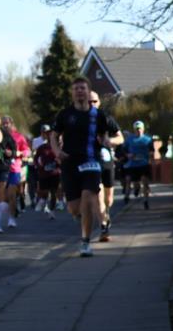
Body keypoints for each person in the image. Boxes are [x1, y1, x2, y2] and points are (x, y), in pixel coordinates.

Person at [51, 77, 122, 257]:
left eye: (82, 88)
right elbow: (54, 135)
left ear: (88, 90)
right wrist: (57, 151)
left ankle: (85, 242)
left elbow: (118, 137)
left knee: (88, 199)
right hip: (69, 163)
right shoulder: (65, 114)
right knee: (74, 208)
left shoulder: (99, 115)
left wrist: (108, 141)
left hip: (91, 161)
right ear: (72, 93)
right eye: (76, 89)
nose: (79, 91)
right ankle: (83, 221)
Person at [89, 91, 117, 241]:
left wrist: (110, 141)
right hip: (92, 163)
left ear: (99, 103)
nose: (92, 104)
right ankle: (103, 226)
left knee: (108, 198)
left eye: (94, 102)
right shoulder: (83, 121)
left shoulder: (107, 119)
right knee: (97, 195)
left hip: (107, 162)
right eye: (89, 102)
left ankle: (106, 213)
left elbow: (121, 137)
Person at [0, 115, 30, 229]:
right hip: (1, 168)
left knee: (12, 194)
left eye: (7, 123)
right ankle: (13, 209)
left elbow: (27, 151)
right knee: (4, 196)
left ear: (11, 124)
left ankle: (11, 219)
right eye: (3, 123)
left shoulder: (18, 137)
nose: (5, 125)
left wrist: (19, 153)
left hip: (14, 168)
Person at [0, 112, 15, 233]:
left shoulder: (6, 135)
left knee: (0, 192)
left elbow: (13, 149)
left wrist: (10, 153)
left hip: (2, 166)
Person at [124, 120, 153, 209]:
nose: (138, 130)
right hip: (133, 165)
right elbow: (124, 150)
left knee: (145, 181)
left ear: (143, 129)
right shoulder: (129, 139)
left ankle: (145, 201)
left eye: (140, 129)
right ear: (134, 130)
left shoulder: (148, 139)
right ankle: (136, 188)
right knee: (135, 182)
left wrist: (150, 156)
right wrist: (128, 155)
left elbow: (152, 151)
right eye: (137, 129)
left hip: (144, 164)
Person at [33, 134, 62, 219]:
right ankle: (42, 200)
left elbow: (65, 160)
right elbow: (36, 158)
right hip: (44, 173)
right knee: (44, 191)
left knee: (53, 192)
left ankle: (52, 211)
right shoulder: (42, 147)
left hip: (55, 173)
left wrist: (59, 163)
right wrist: (38, 165)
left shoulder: (61, 148)